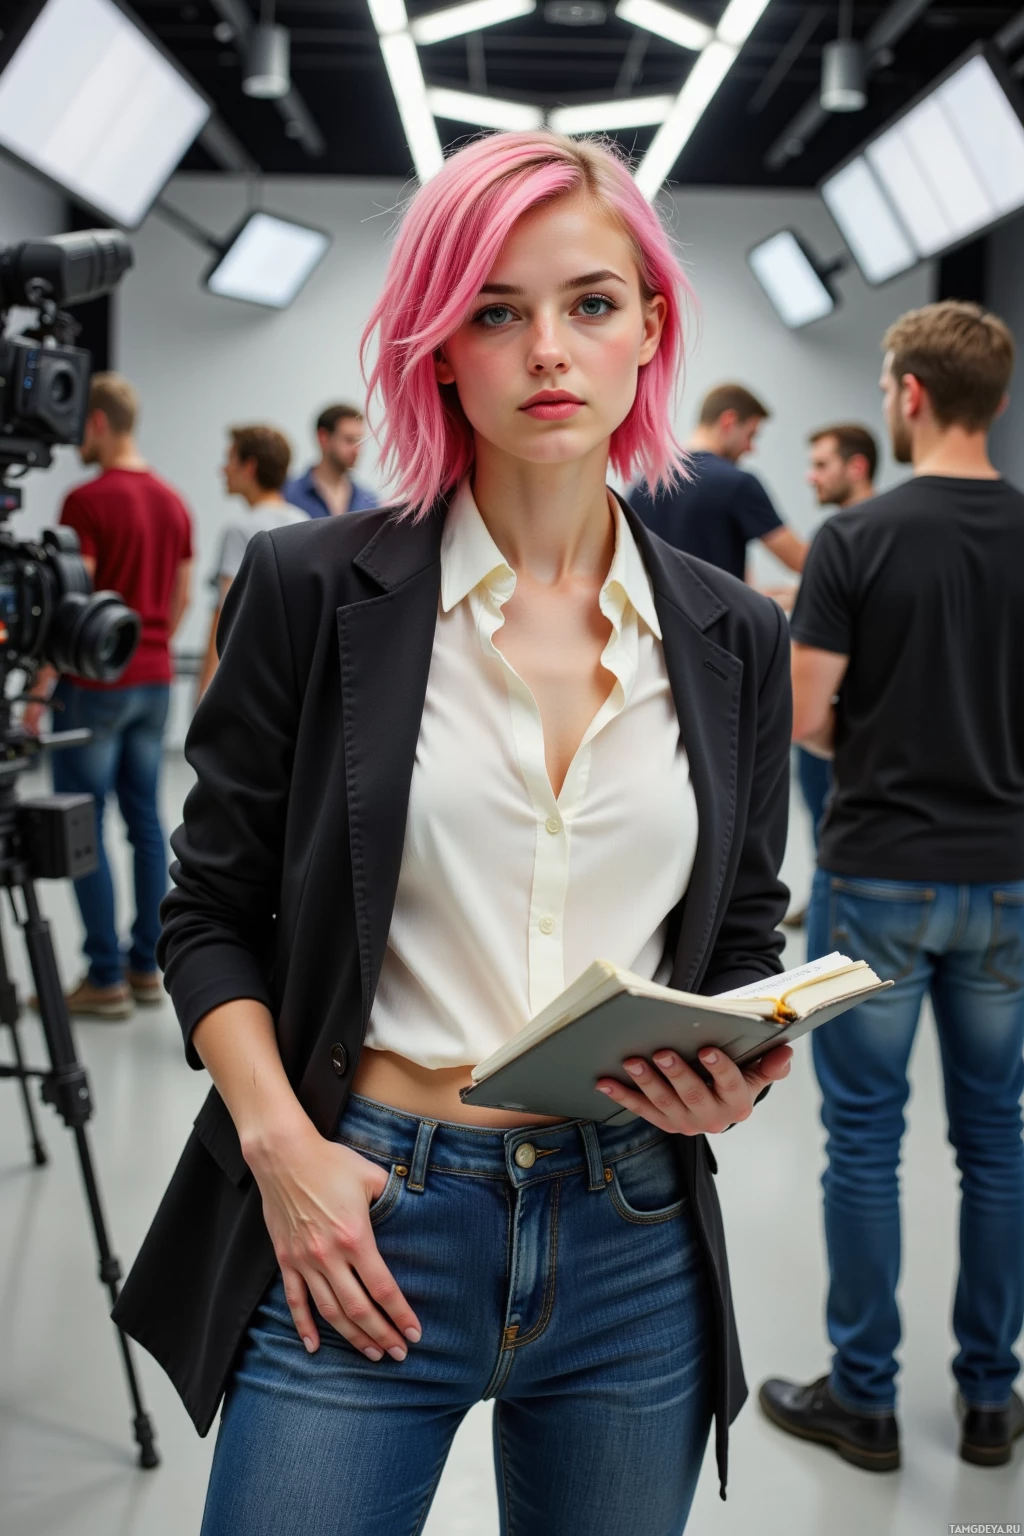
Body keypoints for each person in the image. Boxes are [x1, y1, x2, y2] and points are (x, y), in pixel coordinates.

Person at [113, 131, 795, 1535]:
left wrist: (736, 1069)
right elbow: (208, 914)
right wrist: (282, 1153)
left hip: (632, 1229)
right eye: (496, 309)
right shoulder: (310, 587)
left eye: (590, 303)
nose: (548, 348)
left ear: (649, 330)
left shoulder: (736, 635)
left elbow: (736, 938)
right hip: (362, 1209)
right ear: (439, 348)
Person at [761, 302, 1024, 1472]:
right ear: (997, 402)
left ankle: (863, 1401)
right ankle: (989, 1402)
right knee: (998, 1143)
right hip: (1010, 882)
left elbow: (808, 720)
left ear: (907, 395)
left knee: (863, 1146)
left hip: (875, 876)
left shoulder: (853, 540)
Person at [23, 373, 193, 1018]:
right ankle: (147, 966)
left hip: (94, 686)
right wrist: (149, 644)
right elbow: (177, 597)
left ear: (96, 422)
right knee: (146, 822)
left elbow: (73, 604)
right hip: (151, 681)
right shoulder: (175, 502)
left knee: (83, 826)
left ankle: (103, 977)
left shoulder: (86, 500)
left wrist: (39, 693)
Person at [783, 423, 878, 929]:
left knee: (831, 815)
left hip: (841, 722)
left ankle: (831, 899)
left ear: (856, 467)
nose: (811, 476)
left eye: (822, 465)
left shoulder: (840, 537)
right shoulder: (878, 535)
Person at [630, 382, 808, 580]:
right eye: (751, 435)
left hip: (654, 610)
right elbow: (801, 561)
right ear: (728, 421)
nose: (750, 448)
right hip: (714, 610)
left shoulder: (643, 484)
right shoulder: (737, 483)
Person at [196, 426, 308, 699]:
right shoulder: (306, 523)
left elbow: (226, 615)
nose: (223, 470)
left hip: (244, 679)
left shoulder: (240, 530)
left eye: (230, 459)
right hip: (288, 677)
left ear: (249, 466)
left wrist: (206, 688)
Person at [284, 402, 379, 518]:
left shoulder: (369, 501)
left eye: (359, 442)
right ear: (323, 437)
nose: (356, 450)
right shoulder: (288, 494)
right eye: (349, 440)